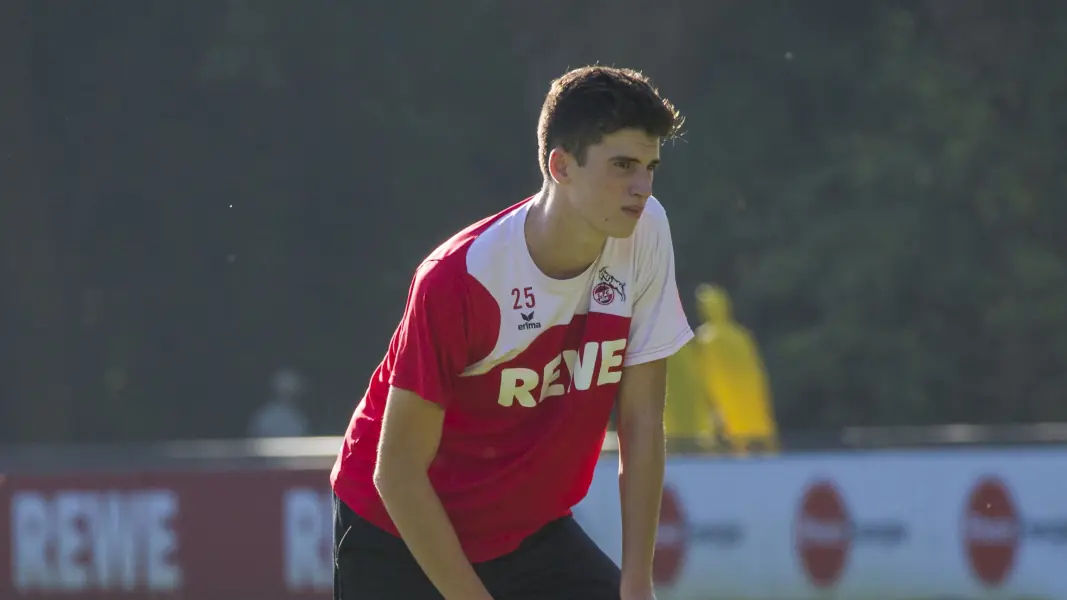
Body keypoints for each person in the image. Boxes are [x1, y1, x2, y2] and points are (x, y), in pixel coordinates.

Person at [330, 65, 692, 600]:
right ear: (561, 166)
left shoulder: (645, 232)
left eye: (650, 167)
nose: (641, 187)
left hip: (527, 534)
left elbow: (640, 421)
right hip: (399, 536)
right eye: (622, 165)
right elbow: (398, 473)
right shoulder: (460, 279)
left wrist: (637, 581)